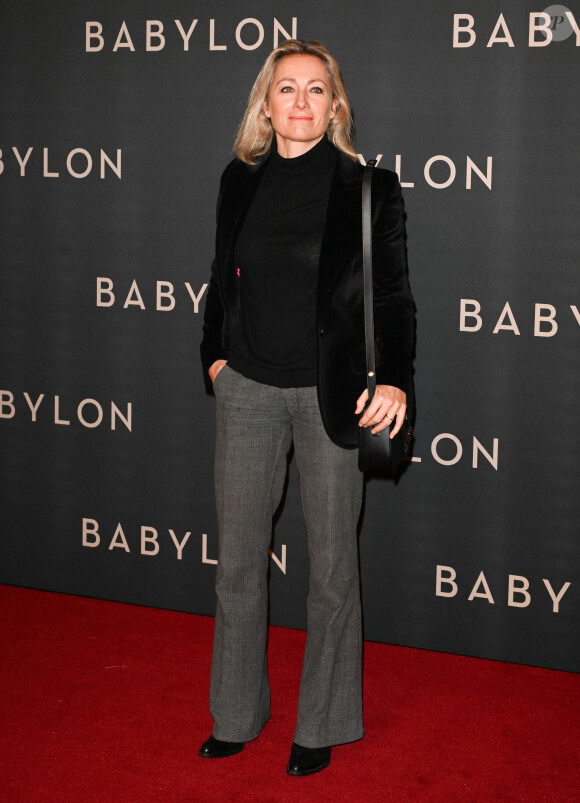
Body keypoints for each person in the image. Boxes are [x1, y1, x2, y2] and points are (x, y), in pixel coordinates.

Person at [198, 39, 415, 776]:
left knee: (330, 569)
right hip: (248, 389)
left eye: (315, 89)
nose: (300, 102)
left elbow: (392, 298)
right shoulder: (239, 180)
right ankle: (235, 712)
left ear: (335, 104)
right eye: (285, 88)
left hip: (335, 395)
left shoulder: (369, 189)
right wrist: (215, 360)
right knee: (236, 566)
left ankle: (319, 722)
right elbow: (218, 280)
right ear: (266, 102)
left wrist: (396, 379)